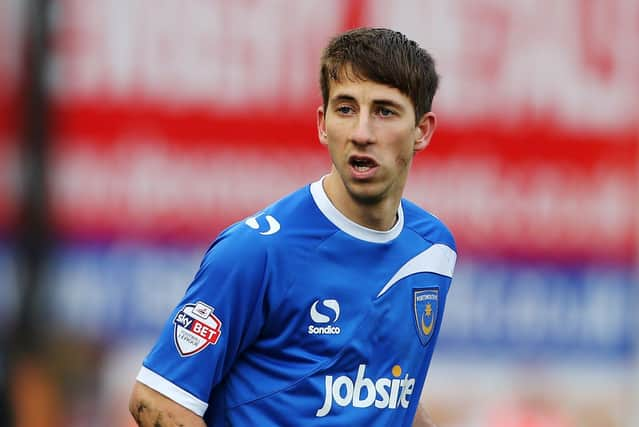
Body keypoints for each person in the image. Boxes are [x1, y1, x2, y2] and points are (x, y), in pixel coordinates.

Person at [129, 27, 457, 427]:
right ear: (322, 124)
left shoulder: (432, 250)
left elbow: (389, 396)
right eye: (346, 108)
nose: (362, 133)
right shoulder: (256, 251)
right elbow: (158, 399)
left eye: (385, 111)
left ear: (422, 131)